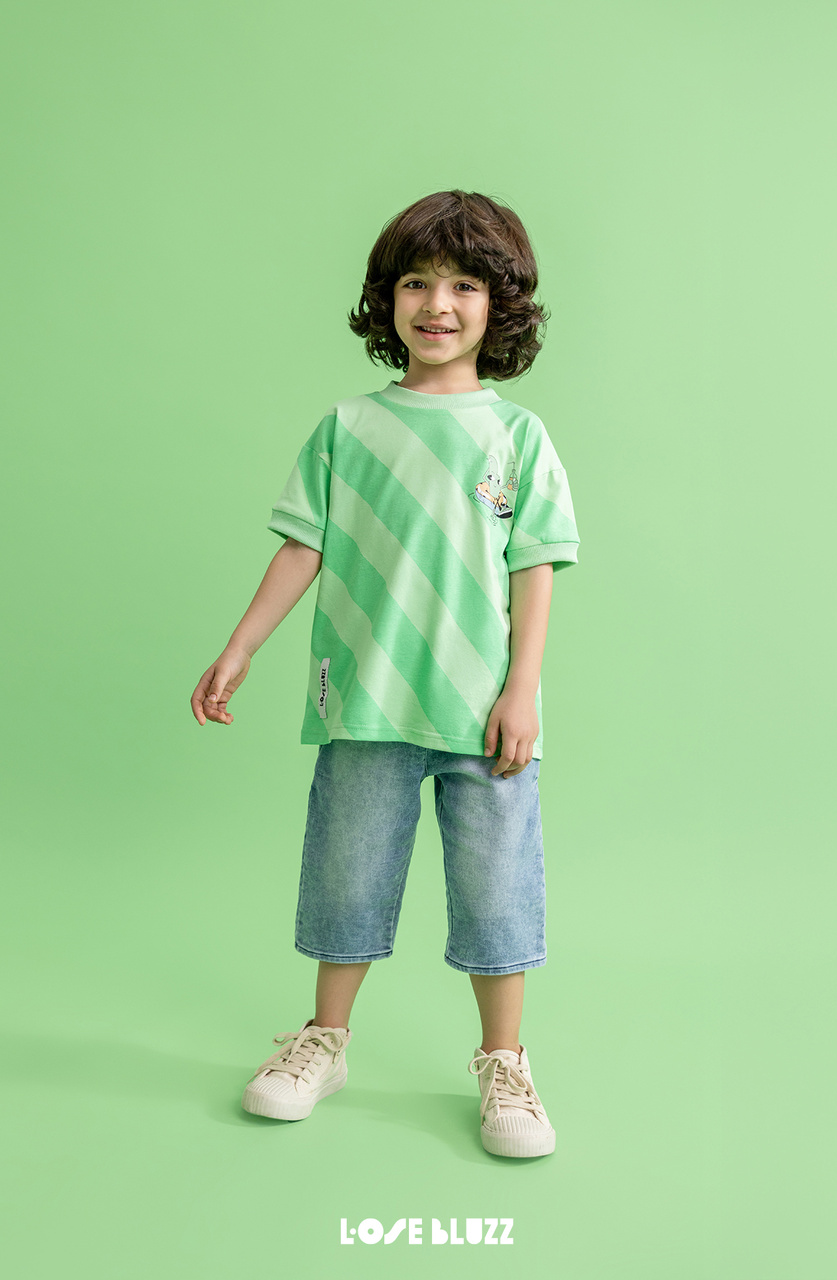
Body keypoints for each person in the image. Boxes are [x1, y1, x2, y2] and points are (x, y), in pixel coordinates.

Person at [190, 190, 580, 1159]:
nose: (436, 304)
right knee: (346, 876)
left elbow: (534, 567)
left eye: (463, 285)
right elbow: (302, 547)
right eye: (416, 282)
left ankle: (505, 1062)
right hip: (364, 702)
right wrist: (241, 646)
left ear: (500, 305)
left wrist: (521, 690)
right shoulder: (348, 427)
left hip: (483, 714)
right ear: (386, 298)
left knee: (496, 893)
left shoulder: (518, 436)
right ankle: (321, 1042)